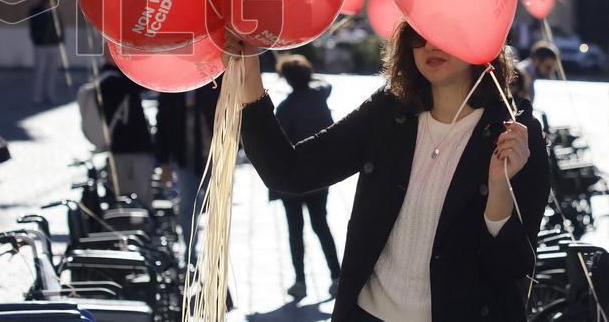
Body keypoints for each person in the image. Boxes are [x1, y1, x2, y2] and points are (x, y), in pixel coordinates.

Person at [228, 22, 550, 322]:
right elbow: (290, 171)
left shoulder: (515, 133)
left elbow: (510, 270)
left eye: (445, 30)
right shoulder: (389, 110)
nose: (431, 44)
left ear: (477, 35)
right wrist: (249, 76)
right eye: (419, 32)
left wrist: (498, 191)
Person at [272, 55, 342, 300]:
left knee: (295, 230)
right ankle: (336, 276)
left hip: (293, 179)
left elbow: (279, 147)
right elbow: (324, 83)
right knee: (321, 225)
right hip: (320, 175)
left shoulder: (285, 108)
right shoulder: (319, 96)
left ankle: (300, 281)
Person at [155, 81, 219, 263]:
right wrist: (164, 163)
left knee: (217, 204)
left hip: (214, 155)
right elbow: (162, 123)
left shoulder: (213, 81)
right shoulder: (171, 86)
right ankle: (190, 250)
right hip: (184, 156)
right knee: (187, 206)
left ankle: (217, 252)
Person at [97, 52, 155, 206]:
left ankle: (141, 218)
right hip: (122, 147)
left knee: (139, 193)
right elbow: (140, 84)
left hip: (132, 146)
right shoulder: (109, 79)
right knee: (127, 196)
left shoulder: (117, 77)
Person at [29, 0, 63, 106]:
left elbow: (60, 27)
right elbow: (34, 27)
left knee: (52, 72)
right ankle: (37, 96)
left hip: (54, 45)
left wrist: (61, 40)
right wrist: (37, 39)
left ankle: (50, 95)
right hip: (41, 46)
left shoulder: (55, 11)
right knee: (40, 72)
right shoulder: (35, 11)